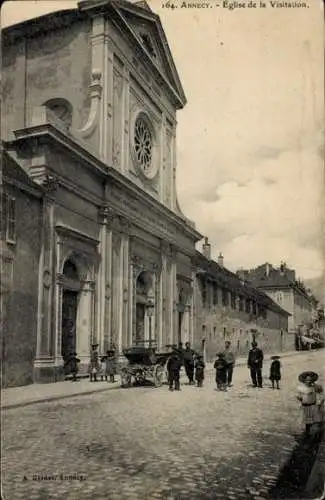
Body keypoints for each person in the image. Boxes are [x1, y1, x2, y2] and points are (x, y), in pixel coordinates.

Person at [297, 371, 324, 436]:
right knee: (306, 421)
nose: (308, 381)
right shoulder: (301, 388)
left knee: (313, 420)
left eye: (310, 380)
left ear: (312, 380)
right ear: (304, 380)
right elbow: (300, 396)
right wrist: (299, 398)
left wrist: (320, 403)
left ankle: (313, 434)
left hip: (312, 406)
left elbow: (321, 394)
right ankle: (307, 432)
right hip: (304, 406)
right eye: (307, 380)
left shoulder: (315, 387)